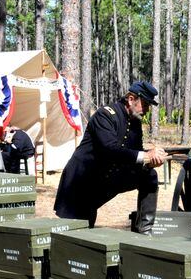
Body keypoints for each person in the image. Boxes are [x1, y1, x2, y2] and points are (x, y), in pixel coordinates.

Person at [54, 81, 167, 233]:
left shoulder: (135, 123)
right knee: (78, 233)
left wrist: (149, 163)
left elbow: (135, 155)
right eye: (145, 104)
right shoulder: (105, 114)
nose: (147, 110)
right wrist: (146, 155)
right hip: (81, 182)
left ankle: (145, 233)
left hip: (106, 178)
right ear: (131, 99)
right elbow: (110, 150)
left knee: (149, 176)